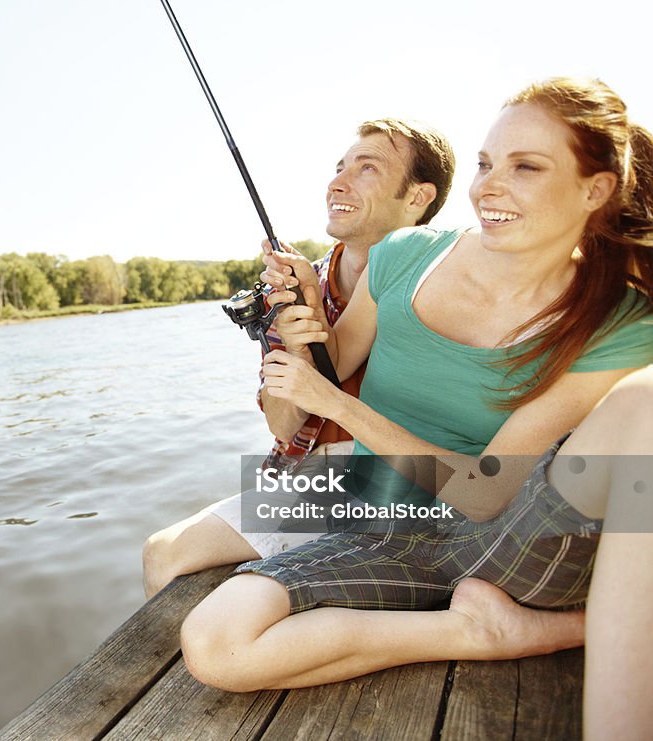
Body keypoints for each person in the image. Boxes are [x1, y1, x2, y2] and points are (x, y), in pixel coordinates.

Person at [178, 77, 653, 724]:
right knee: (212, 639)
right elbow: (312, 389)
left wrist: (338, 407)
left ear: (595, 190)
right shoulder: (402, 256)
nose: (489, 186)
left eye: (527, 166)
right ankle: (480, 630)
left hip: (502, 529)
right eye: (486, 164)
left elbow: (487, 493)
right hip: (373, 514)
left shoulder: (620, 319)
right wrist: (296, 331)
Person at [142, 118, 456, 598]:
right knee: (162, 554)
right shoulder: (291, 287)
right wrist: (296, 345)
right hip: (309, 476)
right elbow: (283, 425)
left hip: (407, 481)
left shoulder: (447, 280)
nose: (337, 183)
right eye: (339, 167)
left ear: (417, 198)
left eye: (367, 168)